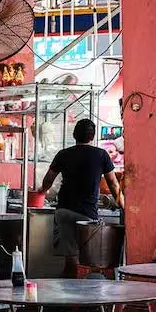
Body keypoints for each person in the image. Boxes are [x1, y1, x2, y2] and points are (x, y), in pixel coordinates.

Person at [40, 119, 123, 278]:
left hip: (64, 210)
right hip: (87, 214)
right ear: (92, 136)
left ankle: (67, 296)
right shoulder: (101, 155)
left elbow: (48, 179)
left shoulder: (64, 154)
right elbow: (113, 183)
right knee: (89, 261)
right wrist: (121, 203)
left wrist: (42, 191)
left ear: (74, 135)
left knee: (70, 260)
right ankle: (85, 297)